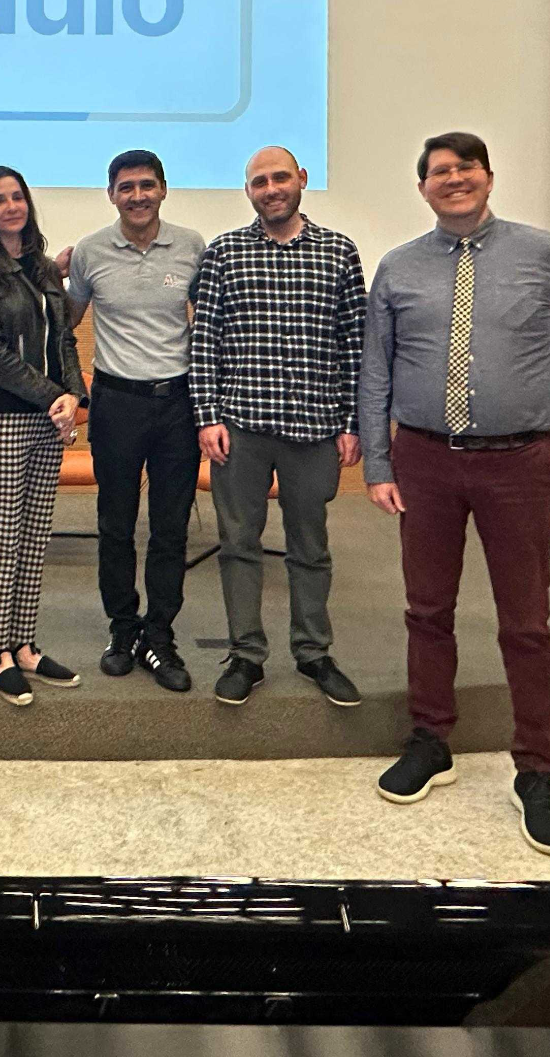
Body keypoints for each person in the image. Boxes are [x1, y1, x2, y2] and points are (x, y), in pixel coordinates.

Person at [359, 131, 550, 857]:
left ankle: (537, 769)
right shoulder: (399, 268)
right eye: (439, 172)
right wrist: (377, 463)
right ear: (422, 189)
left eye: (464, 168)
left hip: (518, 465)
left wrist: (544, 385)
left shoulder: (543, 253)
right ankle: (430, 738)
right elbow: (376, 371)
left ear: (488, 177)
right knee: (427, 607)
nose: (453, 180)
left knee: (527, 622)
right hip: (425, 461)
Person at [188, 145, 367, 708]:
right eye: (260, 181)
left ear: (302, 180)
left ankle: (314, 652)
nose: (271, 188)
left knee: (310, 546)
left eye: (280, 177)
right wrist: (207, 417)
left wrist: (352, 422)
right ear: (248, 192)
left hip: (315, 429)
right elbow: (205, 341)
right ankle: (246, 655)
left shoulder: (339, 251)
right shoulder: (225, 253)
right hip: (240, 428)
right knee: (238, 544)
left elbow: (354, 345)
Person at [60, 149, 204, 692]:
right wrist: (73, 390)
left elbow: (209, 321)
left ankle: (159, 635)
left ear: (163, 189)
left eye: (147, 185)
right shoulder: (91, 252)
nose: (137, 195)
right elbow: (65, 323)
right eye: (126, 187)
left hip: (177, 405)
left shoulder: (193, 247)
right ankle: (122, 630)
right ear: (111, 194)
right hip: (116, 404)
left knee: (169, 529)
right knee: (115, 526)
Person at [0, 166, 89, 706]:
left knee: (35, 538)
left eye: (18, 197)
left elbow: (67, 343)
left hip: (50, 416)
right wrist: (50, 396)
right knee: (3, 536)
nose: (11, 206)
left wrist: (73, 398)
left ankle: (25, 644)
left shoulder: (41, 268)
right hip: (6, 416)